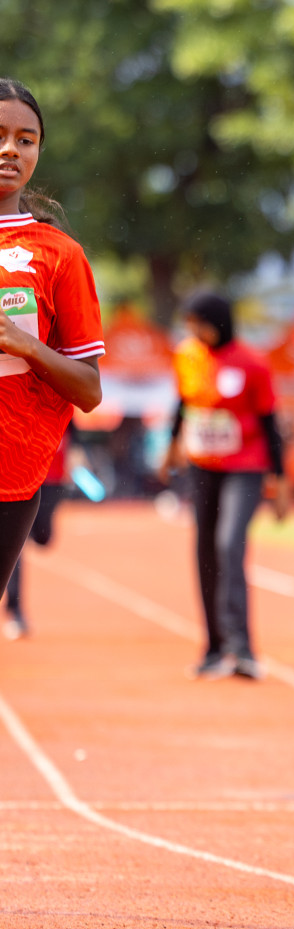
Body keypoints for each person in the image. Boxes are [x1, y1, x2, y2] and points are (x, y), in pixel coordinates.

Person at [0, 79, 105, 594]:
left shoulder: (59, 255)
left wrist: (28, 347)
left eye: (26, 138)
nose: (10, 150)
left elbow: (88, 391)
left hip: (11, 477)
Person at [162, 292, 291, 680]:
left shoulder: (253, 363)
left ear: (217, 322)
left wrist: (281, 480)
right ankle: (214, 648)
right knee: (205, 550)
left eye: (197, 323)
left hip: (246, 467)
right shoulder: (187, 356)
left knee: (229, 543)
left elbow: (270, 423)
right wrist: (171, 447)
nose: (192, 331)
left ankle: (242, 649)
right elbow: (182, 405)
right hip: (202, 465)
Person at [3, 430, 80, 639]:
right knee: (18, 546)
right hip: (23, 473)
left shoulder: (64, 398)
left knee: (44, 537)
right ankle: (15, 611)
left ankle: (27, 534)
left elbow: (74, 430)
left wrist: (75, 460)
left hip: (53, 477)